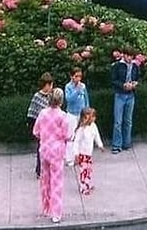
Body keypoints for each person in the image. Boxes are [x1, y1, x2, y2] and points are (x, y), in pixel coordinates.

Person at [33, 87, 72, 224]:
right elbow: (68, 135)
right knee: (56, 182)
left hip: (44, 150)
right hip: (57, 152)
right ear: (61, 101)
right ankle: (56, 213)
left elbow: (36, 131)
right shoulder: (63, 116)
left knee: (45, 180)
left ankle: (46, 207)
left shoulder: (42, 114)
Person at [110, 46, 140, 154]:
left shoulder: (135, 66)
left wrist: (135, 83)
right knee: (118, 121)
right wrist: (123, 85)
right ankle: (116, 145)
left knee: (128, 121)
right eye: (128, 56)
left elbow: (138, 78)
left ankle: (126, 143)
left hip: (130, 95)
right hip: (120, 95)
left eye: (131, 57)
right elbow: (113, 80)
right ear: (124, 55)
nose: (130, 59)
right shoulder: (118, 66)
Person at [27, 72, 54, 179]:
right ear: (46, 84)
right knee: (41, 149)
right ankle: (39, 170)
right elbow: (32, 113)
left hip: (51, 128)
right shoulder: (37, 96)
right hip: (41, 128)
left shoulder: (52, 96)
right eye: (50, 85)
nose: (51, 87)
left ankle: (49, 168)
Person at [73, 107, 104, 195]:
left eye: (93, 116)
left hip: (89, 154)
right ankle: (83, 187)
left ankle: (88, 183)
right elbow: (76, 142)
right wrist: (76, 154)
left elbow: (96, 136)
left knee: (88, 170)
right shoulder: (81, 130)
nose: (92, 119)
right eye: (89, 117)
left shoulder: (93, 126)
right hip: (82, 154)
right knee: (84, 171)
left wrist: (100, 145)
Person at [64, 67, 90, 165]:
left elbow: (86, 99)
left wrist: (87, 111)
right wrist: (77, 91)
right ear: (71, 77)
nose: (78, 79)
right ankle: (70, 158)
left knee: (83, 136)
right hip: (72, 113)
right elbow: (69, 99)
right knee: (71, 136)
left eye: (80, 76)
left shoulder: (83, 86)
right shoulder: (68, 87)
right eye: (76, 76)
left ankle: (82, 157)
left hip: (82, 113)